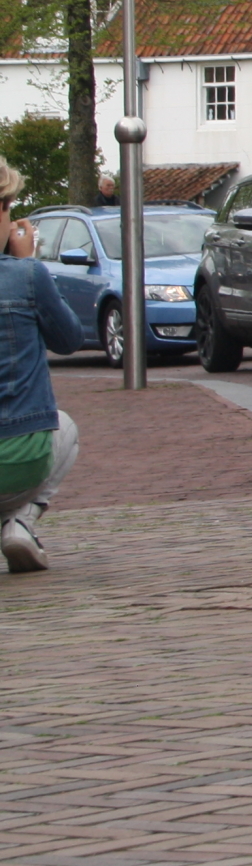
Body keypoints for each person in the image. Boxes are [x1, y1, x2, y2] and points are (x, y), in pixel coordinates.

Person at [0, 160, 82, 573]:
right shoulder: (27, 276)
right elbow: (69, 340)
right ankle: (21, 521)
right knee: (64, 426)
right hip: (19, 460)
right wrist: (28, 260)